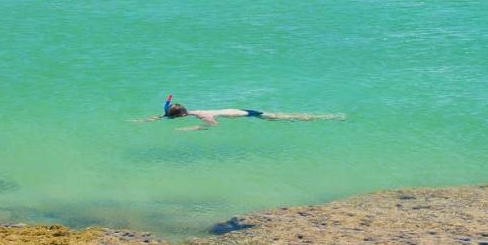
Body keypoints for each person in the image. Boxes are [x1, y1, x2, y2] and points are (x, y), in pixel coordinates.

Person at [139, 94, 345, 130]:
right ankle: (327, 117)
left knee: (289, 118)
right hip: (241, 110)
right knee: (284, 118)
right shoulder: (191, 111)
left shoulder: (201, 115)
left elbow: (213, 123)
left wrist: (195, 129)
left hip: (249, 114)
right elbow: (165, 115)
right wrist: (150, 119)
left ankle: (328, 117)